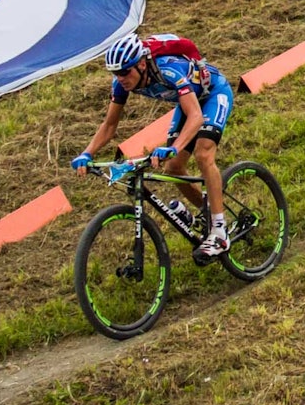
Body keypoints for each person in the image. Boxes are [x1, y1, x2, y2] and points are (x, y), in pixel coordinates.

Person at [72, 33, 235, 262]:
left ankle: (219, 231)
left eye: (125, 72)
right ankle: (206, 214)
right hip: (189, 102)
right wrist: (87, 153)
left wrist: (175, 147)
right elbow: (109, 125)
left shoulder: (168, 70)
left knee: (203, 153)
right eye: (115, 74)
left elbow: (196, 117)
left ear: (140, 64)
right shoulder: (121, 84)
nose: (121, 79)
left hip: (214, 94)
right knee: (174, 167)